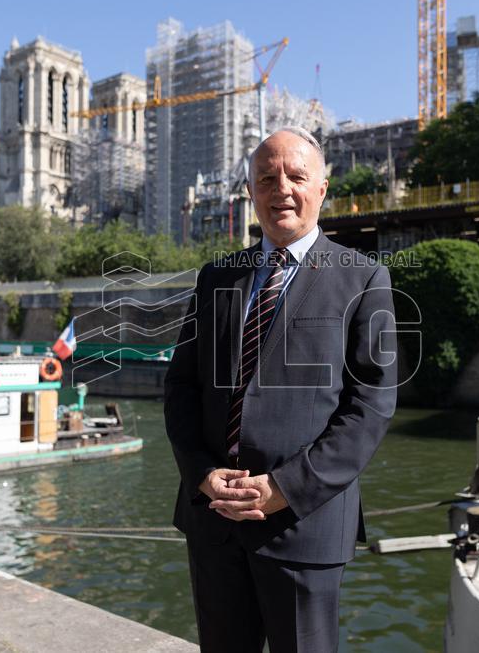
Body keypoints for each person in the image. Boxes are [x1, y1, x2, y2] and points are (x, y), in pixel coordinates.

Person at [165, 127, 398, 652]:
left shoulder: (362, 278)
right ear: (251, 192)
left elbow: (372, 406)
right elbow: (181, 387)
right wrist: (201, 474)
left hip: (304, 526)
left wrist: (285, 489)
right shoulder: (216, 278)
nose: (282, 189)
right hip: (214, 522)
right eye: (267, 178)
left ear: (322, 188)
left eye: (296, 176)